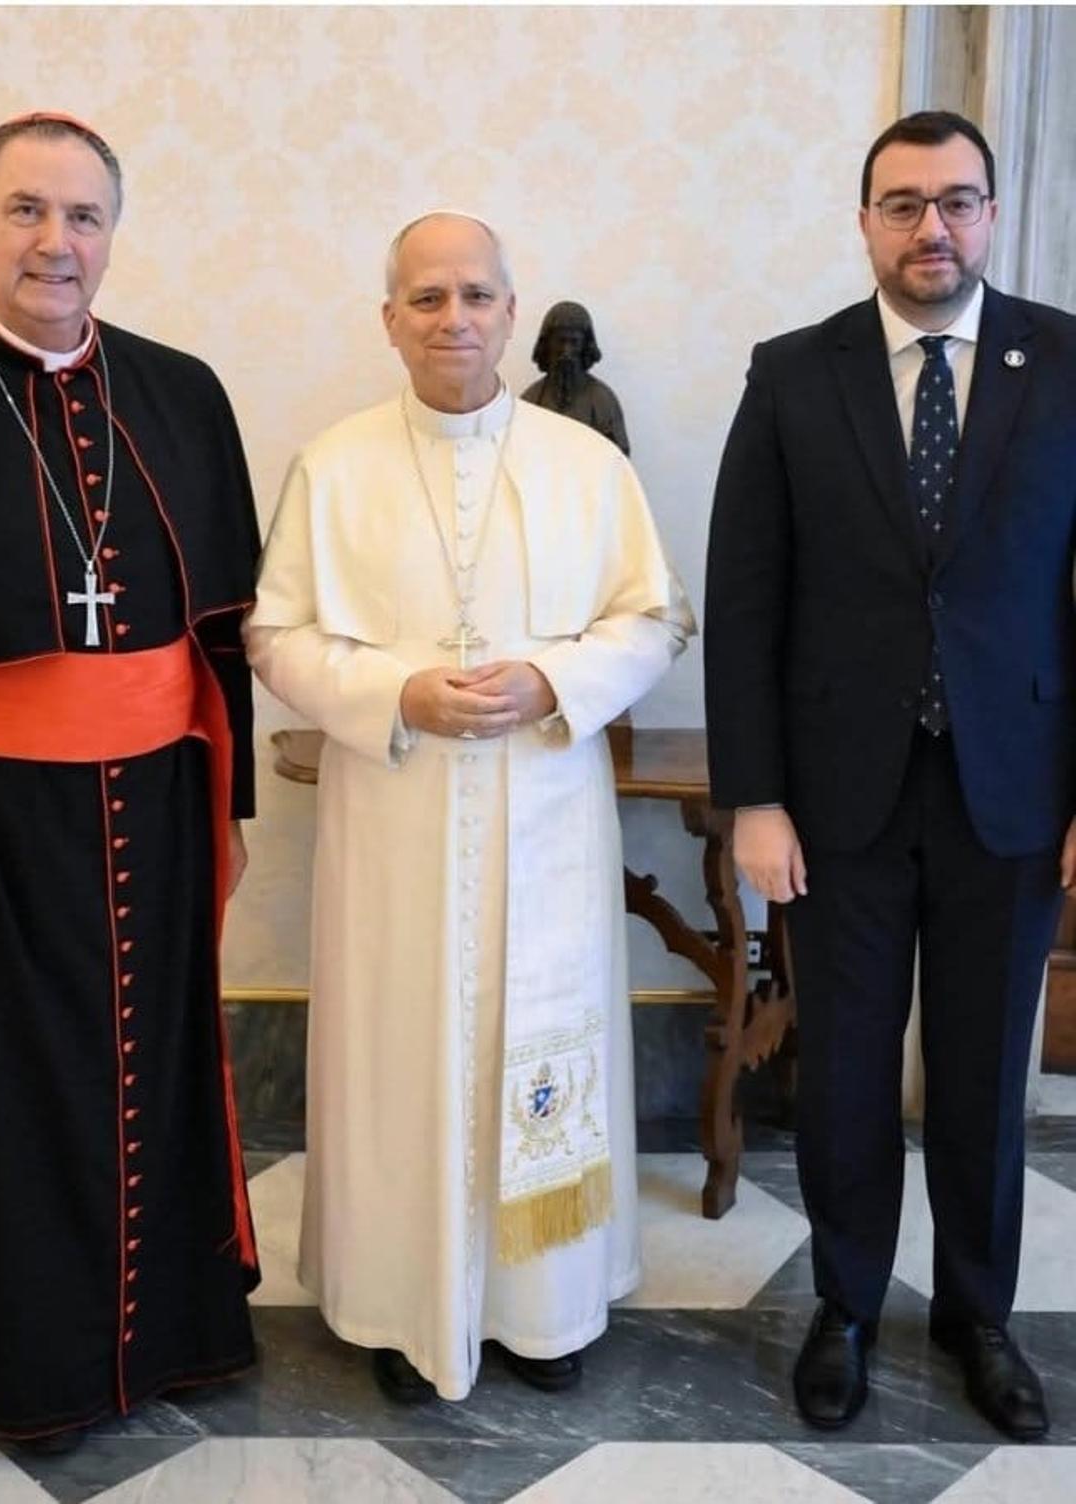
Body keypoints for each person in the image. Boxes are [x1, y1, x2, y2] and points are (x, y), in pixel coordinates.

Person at [246, 211, 693, 1404]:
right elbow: (273, 634)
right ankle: (402, 1307)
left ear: (510, 307)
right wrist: (396, 690)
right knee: (400, 1051)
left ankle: (544, 1308)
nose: (455, 319)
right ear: (388, 318)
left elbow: (654, 618)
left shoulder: (586, 463)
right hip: (393, 815)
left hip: (545, 802)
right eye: (428, 298)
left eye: (477, 296)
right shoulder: (332, 466)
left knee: (539, 1039)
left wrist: (552, 679)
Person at [0, 113, 261, 1450]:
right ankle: (41, 1370)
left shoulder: (182, 390)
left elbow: (221, 633)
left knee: (154, 1072)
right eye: (28, 211)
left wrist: (236, 810)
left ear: (113, 233)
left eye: (84, 215)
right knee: (13, 1097)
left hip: (154, 803)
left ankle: (172, 1338)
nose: (57, 241)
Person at [704, 110, 1076, 1441]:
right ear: (864, 220)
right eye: (905, 203)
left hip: (1014, 793)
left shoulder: (1069, 363)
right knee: (846, 1070)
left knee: (983, 1079)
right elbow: (744, 600)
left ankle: (980, 1315)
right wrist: (752, 795)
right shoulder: (793, 375)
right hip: (834, 801)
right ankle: (846, 1307)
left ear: (992, 215)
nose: (934, 227)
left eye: (959, 202)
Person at [521, 300, 631, 453]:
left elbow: (619, 458)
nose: (566, 351)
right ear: (548, 345)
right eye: (560, 342)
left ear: (585, 346)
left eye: (574, 342)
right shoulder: (531, 400)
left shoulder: (603, 401)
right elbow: (518, 455)